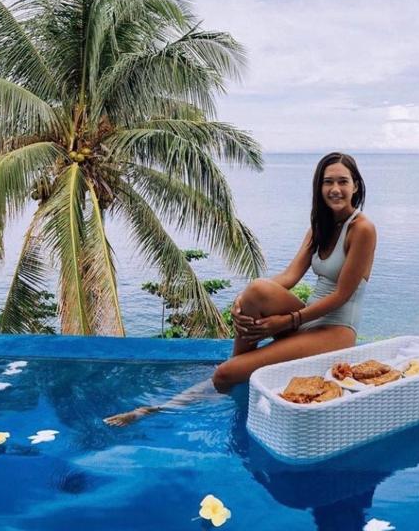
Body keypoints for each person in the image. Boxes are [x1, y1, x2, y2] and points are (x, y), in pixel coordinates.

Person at [104, 152, 375, 426]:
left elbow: (341, 295)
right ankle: (237, 370)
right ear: (319, 187)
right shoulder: (319, 228)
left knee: (224, 374)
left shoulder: (362, 229)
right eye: (328, 182)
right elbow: (290, 277)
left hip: (335, 330)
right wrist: (242, 298)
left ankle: (162, 407)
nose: (335, 189)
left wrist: (288, 320)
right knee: (257, 290)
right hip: (307, 319)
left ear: (356, 185)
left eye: (343, 181)